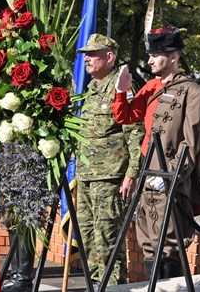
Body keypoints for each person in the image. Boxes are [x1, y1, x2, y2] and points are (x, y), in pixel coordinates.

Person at [111, 26, 200, 280]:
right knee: (147, 241)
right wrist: (121, 91)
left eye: (156, 54)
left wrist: (172, 175)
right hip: (147, 175)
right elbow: (125, 116)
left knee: (168, 243)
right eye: (150, 54)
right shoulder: (151, 87)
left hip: (170, 181)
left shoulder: (194, 93)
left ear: (173, 57)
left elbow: (191, 144)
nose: (149, 60)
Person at [75, 34, 143, 287]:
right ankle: (96, 285)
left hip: (111, 177)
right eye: (86, 55)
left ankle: (112, 287)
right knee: (88, 237)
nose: (87, 59)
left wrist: (132, 174)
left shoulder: (122, 87)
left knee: (107, 240)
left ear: (109, 56)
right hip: (87, 176)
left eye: (93, 54)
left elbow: (134, 132)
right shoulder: (92, 88)